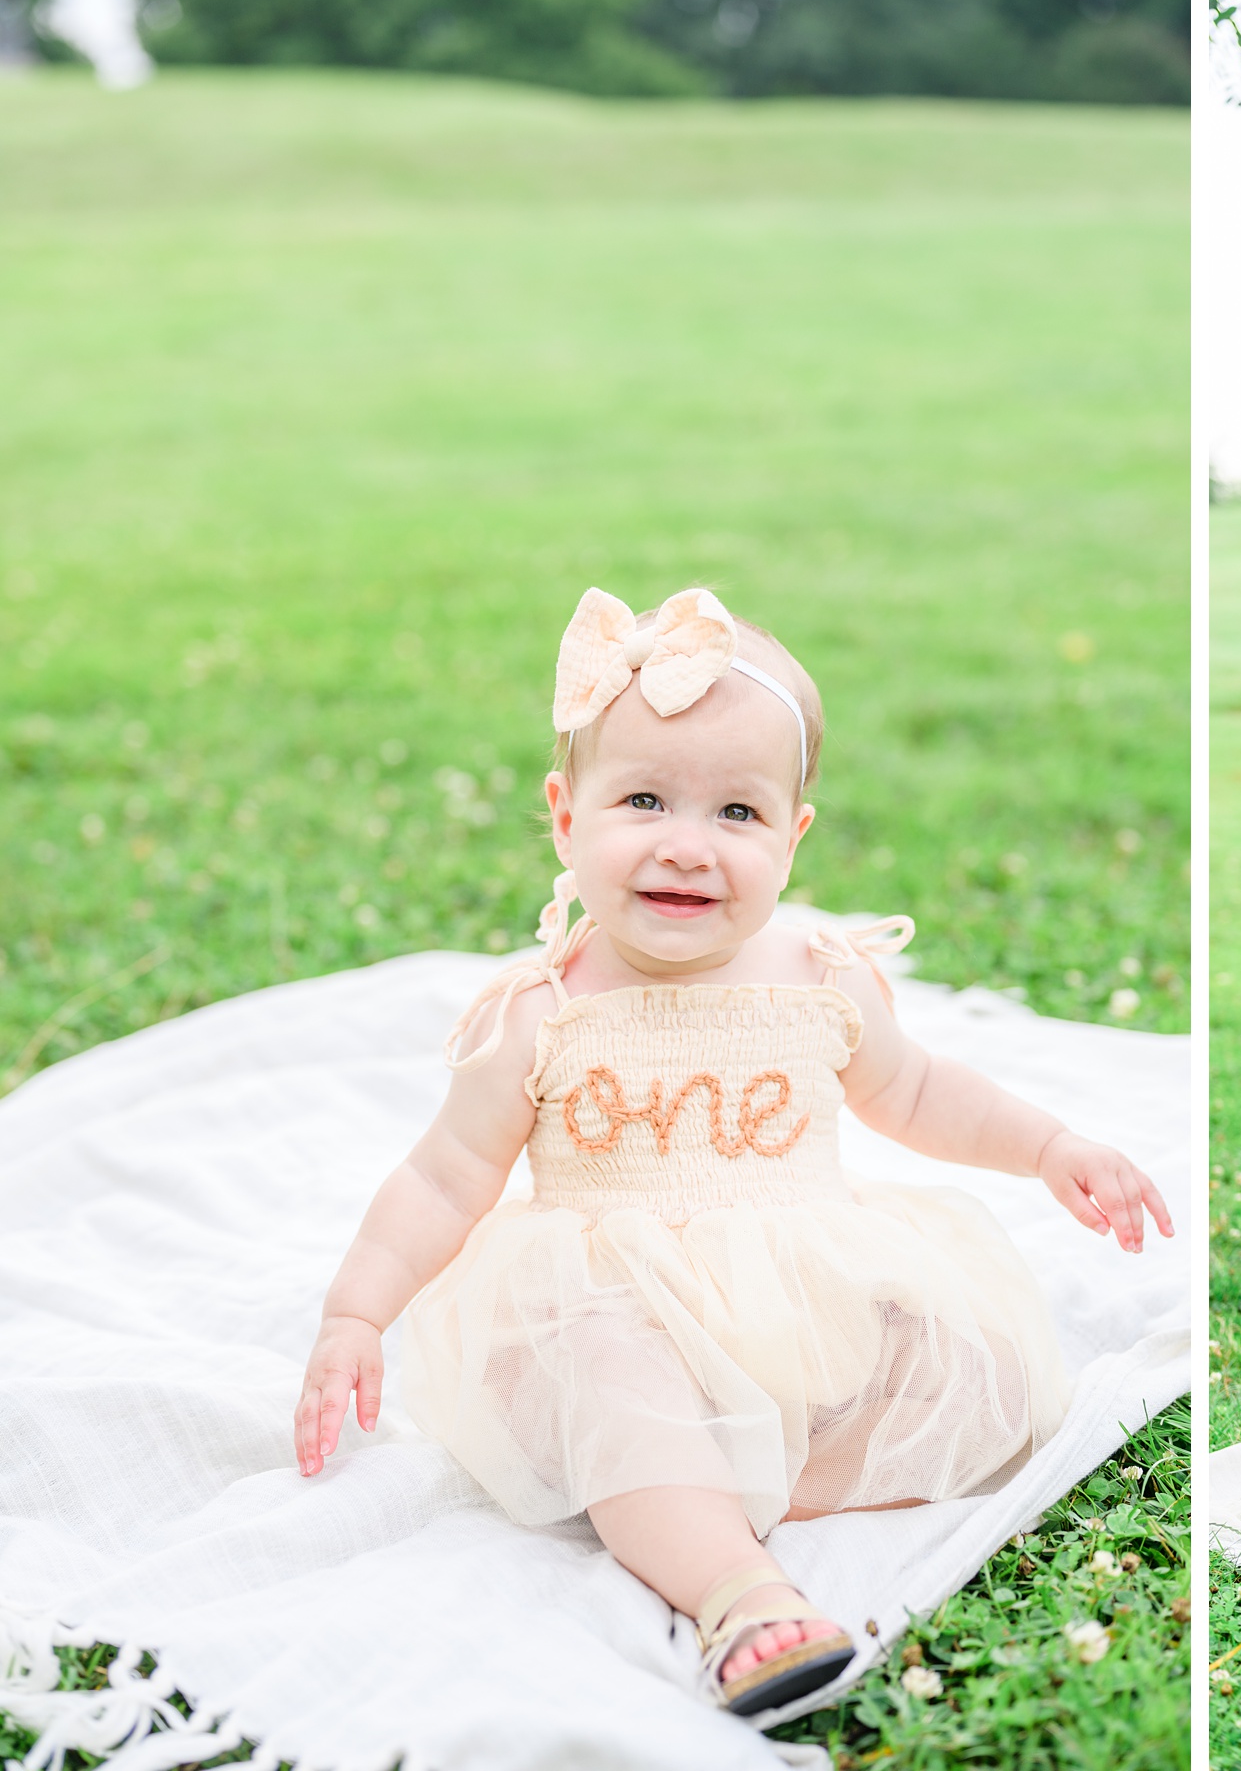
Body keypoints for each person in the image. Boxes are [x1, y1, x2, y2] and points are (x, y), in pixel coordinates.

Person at [292, 587, 1172, 1714]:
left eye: (737, 814)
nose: (686, 846)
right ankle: (738, 1588)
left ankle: (732, 1480)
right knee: (611, 1381)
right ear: (566, 816)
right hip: (618, 1308)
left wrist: (1050, 1145)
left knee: (975, 1369)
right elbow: (443, 1175)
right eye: (645, 798)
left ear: (793, 839)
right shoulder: (541, 1013)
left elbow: (918, 1092)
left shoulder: (817, 975)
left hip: (795, 1303)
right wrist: (357, 1313)